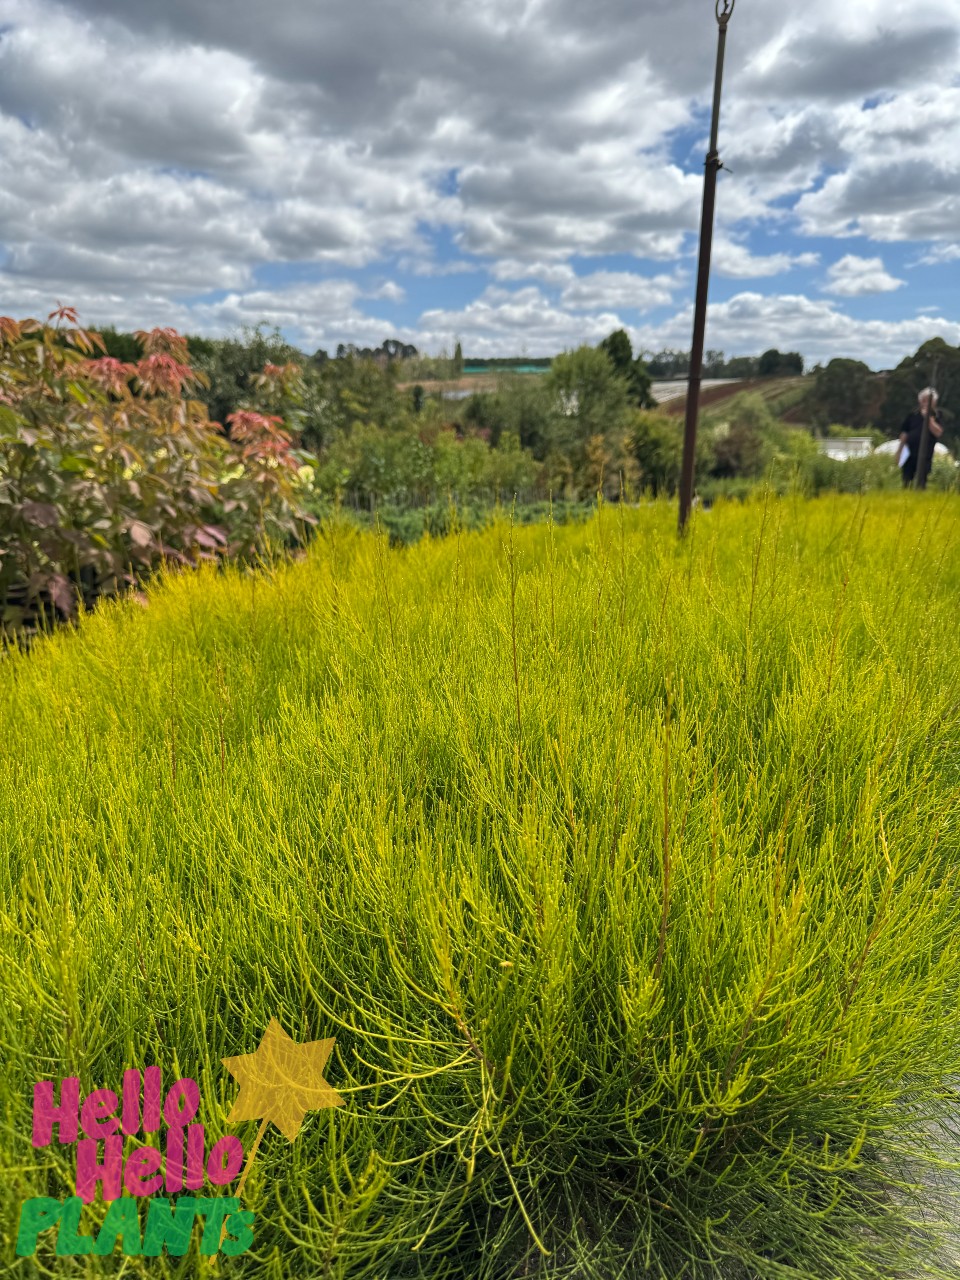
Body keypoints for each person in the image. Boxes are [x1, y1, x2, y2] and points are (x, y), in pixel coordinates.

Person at [897, 387, 944, 488]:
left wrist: (928, 418)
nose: (925, 403)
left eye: (928, 400)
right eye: (923, 400)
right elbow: (904, 433)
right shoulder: (912, 415)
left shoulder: (936, 415)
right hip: (909, 453)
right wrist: (899, 451)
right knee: (906, 478)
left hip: (925, 454)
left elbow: (938, 432)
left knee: (922, 479)